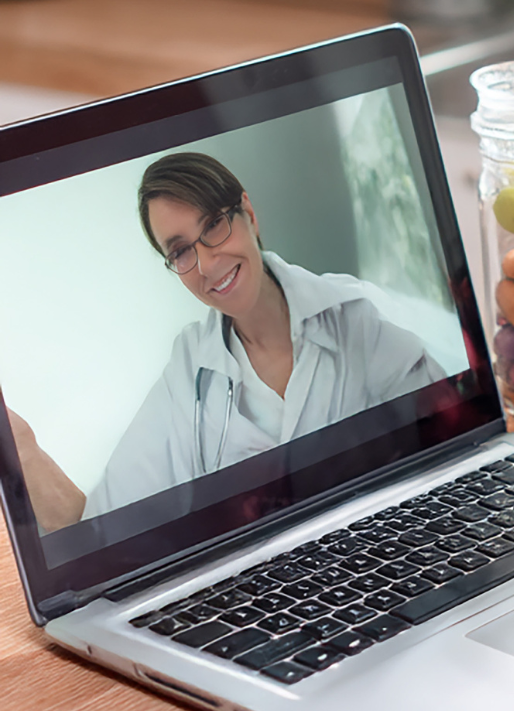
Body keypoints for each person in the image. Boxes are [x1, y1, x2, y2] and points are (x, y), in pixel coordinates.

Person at [9, 152, 445, 531]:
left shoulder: (356, 316)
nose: (207, 263)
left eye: (214, 225)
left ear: (249, 217)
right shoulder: (188, 373)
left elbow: (449, 445)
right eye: (180, 251)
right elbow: (100, 535)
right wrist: (24, 449)